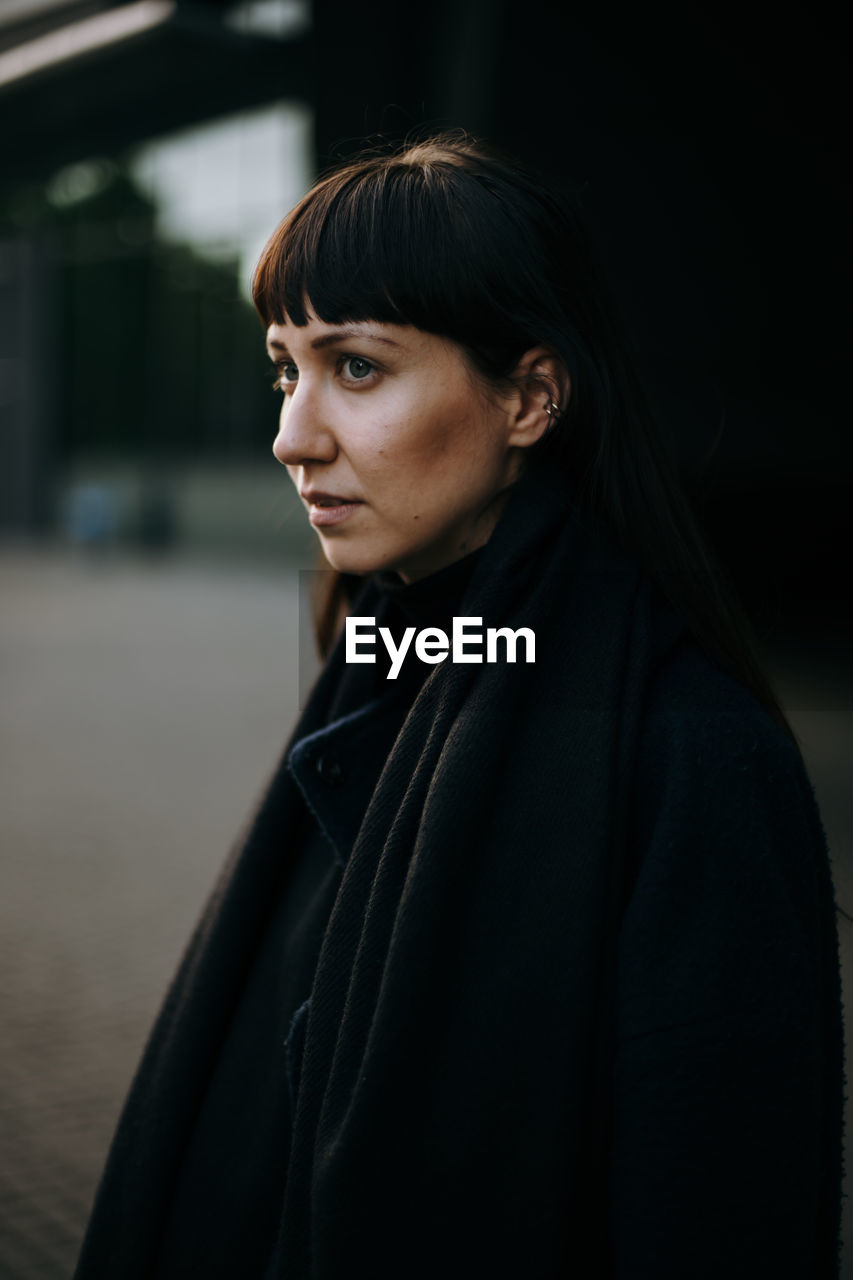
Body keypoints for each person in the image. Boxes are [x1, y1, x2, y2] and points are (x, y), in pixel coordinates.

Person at [74, 134, 844, 1279]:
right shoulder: (382, 662)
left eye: (359, 367)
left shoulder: (692, 755)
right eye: (287, 368)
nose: (292, 436)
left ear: (529, 397)